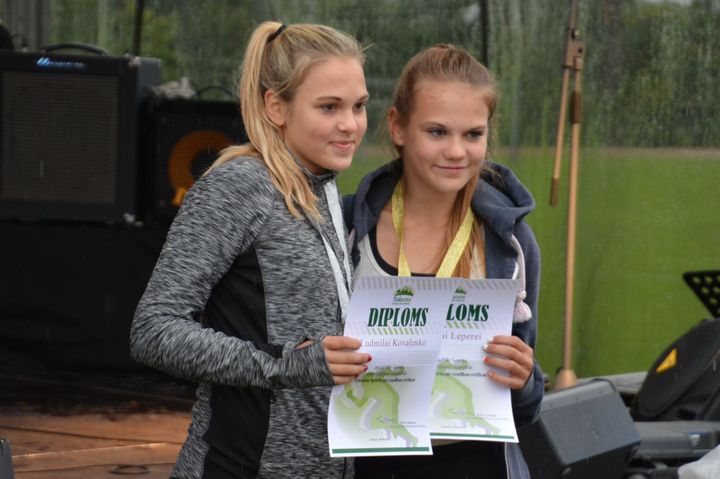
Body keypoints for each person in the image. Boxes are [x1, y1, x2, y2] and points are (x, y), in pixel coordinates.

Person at [130, 21, 372, 479]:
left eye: (358, 106)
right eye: (329, 107)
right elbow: (153, 331)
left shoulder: (323, 184)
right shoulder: (239, 186)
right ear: (276, 107)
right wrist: (285, 363)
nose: (350, 124)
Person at [343, 44, 544, 479]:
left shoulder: (511, 244)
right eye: (437, 132)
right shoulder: (347, 228)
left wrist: (524, 378)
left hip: (479, 464)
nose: (456, 151)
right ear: (398, 126)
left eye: (473, 134)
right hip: (369, 461)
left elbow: (526, 407)